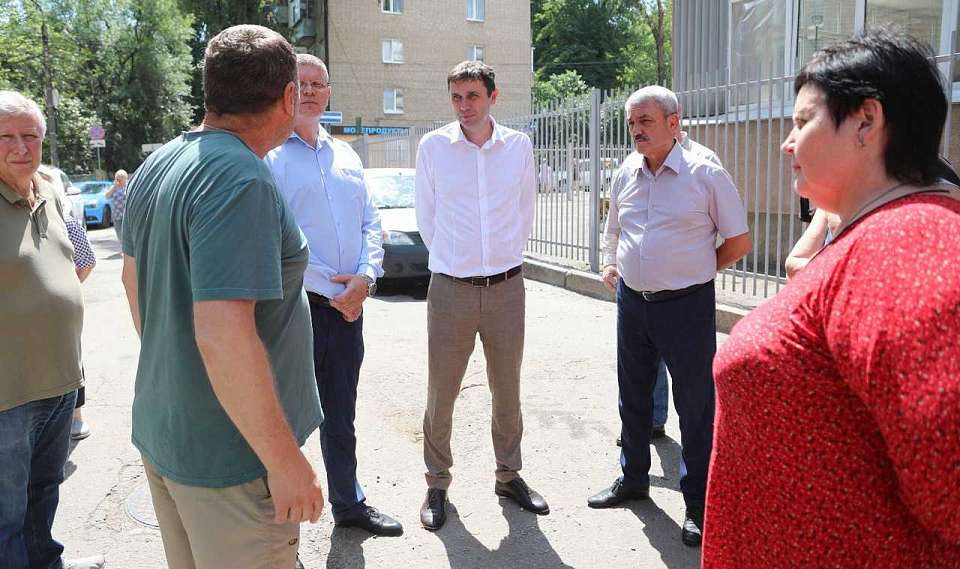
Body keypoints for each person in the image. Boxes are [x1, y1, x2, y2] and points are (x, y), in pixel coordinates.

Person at [705, 30, 960, 566]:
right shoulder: (876, 233)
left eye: (802, 122)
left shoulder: (908, 241)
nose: (787, 142)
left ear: (866, 121)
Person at [120, 26, 324, 569]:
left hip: (172, 431)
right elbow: (224, 334)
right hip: (233, 460)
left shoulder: (161, 162)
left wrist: (183, 373)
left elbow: (132, 283)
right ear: (288, 96)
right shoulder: (240, 177)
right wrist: (285, 461)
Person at [589, 85, 751, 547]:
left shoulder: (705, 173)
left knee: (695, 407)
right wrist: (611, 262)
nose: (636, 130)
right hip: (632, 302)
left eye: (646, 121)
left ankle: (698, 502)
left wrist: (696, 270)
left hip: (686, 306)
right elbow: (614, 227)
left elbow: (739, 241)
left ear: (673, 122)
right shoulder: (627, 170)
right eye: (632, 123)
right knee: (633, 395)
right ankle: (633, 479)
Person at [264, 54, 402, 537]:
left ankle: (349, 504)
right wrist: (335, 286)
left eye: (318, 84)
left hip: (348, 309)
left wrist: (365, 277)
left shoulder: (346, 156)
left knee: (341, 414)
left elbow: (371, 222)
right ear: (286, 91)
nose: (310, 91)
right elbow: (277, 239)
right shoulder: (269, 159)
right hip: (297, 309)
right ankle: (280, 530)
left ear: (329, 92)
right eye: (301, 83)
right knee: (287, 420)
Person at [414, 61, 543, 530]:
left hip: (507, 288)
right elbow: (427, 217)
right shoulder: (434, 147)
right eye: (456, 97)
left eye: (472, 96)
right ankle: (437, 482)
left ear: (493, 96)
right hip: (451, 288)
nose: (464, 106)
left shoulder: (517, 147)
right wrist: (459, 262)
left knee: (507, 388)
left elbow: (525, 209)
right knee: (441, 391)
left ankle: (509, 476)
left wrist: (500, 259)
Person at [0, 90, 105, 569]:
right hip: (9, 393)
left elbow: (80, 260)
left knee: (44, 493)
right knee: (7, 515)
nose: (20, 147)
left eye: (30, 136)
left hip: (62, 381)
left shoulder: (51, 190)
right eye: (6, 137)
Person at [42, 165, 98, 440]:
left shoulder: (65, 221)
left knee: (69, 359)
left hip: (57, 313)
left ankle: (76, 416)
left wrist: (67, 290)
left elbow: (86, 262)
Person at [104, 169, 127, 240]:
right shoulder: (113, 187)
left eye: (120, 179)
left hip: (127, 216)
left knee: (127, 235)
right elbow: (107, 196)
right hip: (117, 215)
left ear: (125, 179)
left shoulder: (128, 187)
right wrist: (114, 187)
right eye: (117, 179)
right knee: (120, 235)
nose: (118, 181)